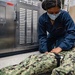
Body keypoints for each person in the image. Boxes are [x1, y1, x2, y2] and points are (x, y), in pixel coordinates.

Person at [0, 0, 75, 75]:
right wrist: (45, 51)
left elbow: (72, 32)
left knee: (65, 50)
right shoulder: (42, 19)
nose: (54, 15)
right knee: (44, 51)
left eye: (57, 12)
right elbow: (42, 36)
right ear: (46, 10)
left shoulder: (65, 15)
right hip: (52, 35)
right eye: (51, 13)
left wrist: (60, 47)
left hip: (64, 35)